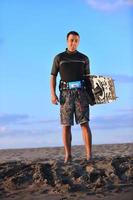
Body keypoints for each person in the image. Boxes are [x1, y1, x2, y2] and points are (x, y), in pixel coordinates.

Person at [50, 31, 92, 163]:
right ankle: (68, 155)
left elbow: (88, 79)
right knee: (66, 125)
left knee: (84, 124)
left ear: (78, 42)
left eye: (76, 40)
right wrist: (53, 94)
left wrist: (92, 96)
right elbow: (53, 76)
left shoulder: (84, 58)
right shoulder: (59, 58)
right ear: (67, 41)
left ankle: (89, 155)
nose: (73, 43)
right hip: (65, 95)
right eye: (71, 40)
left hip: (81, 93)